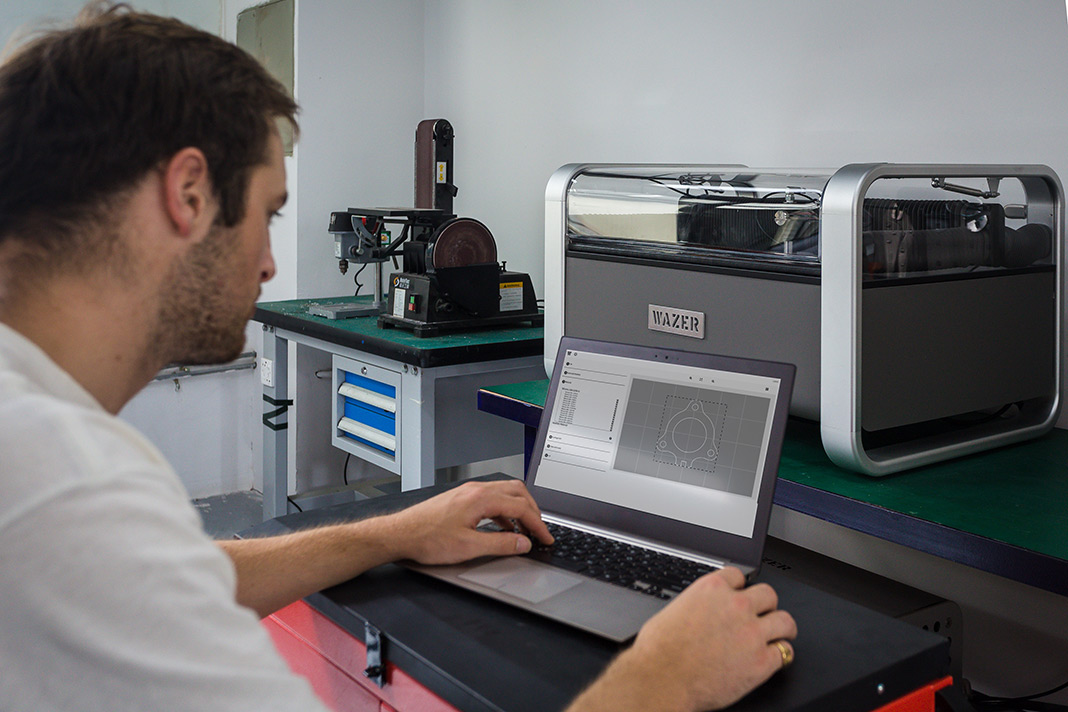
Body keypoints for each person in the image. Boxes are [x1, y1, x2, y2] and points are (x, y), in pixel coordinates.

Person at [0, 4, 796, 711]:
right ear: (190, 194)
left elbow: (157, 583)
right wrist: (659, 684)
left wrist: (390, 533)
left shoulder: (39, 453)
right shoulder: (62, 486)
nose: (270, 268)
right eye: (268, 215)